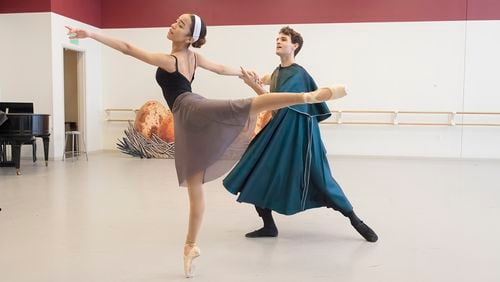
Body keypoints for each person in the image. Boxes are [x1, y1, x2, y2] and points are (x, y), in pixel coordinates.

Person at [66, 15, 346, 278]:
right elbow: (223, 68)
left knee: (240, 106)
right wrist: (245, 73)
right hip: (186, 120)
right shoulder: (193, 57)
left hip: (189, 108)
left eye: (181, 24)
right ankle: (190, 247)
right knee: (194, 185)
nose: (173, 25)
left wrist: (90, 33)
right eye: (176, 21)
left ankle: (305, 97)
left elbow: (127, 48)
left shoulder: (170, 59)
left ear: (189, 37)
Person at [224, 26, 378, 243]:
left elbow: (278, 104)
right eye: (277, 38)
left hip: (300, 134)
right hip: (280, 130)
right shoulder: (278, 72)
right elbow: (272, 95)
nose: (278, 41)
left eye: (283, 39)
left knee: (321, 179)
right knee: (258, 170)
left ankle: (355, 220)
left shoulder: (298, 73)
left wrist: (254, 86)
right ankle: (268, 226)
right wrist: (253, 80)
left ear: (294, 45)